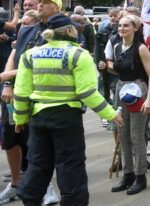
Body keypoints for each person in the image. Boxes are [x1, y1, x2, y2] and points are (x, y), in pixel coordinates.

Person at [12, 14, 123, 206]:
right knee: (70, 166)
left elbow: (21, 92)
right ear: (69, 31)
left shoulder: (30, 55)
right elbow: (88, 93)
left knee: (37, 165)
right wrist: (111, 114)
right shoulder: (79, 55)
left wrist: (19, 118)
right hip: (67, 117)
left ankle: (30, 200)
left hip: (39, 117)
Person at [1, 0, 62, 205]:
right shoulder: (25, 31)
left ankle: (46, 186)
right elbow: (14, 55)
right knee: (10, 140)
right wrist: (8, 84)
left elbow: (38, 64)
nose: (33, 7)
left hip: (37, 96)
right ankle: (16, 184)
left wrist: (8, 76)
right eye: (37, 3)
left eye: (42, 3)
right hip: (14, 95)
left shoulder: (55, 34)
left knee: (36, 144)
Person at [109, 15, 150, 196]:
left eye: (126, 25)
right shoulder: (117, 46)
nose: (121, 28)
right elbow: (120, 69)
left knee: (137, 136)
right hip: (121, 89)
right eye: (120, 25)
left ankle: (140, 176)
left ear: (135, 28)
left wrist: (149, 99)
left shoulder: (141, 48)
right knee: (123, 134)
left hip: (138, 90)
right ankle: (127, 174)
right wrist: (109, 67)